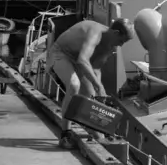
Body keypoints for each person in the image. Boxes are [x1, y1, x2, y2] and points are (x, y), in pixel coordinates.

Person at [47, 17, 135, 147]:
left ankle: (99, 135)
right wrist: (98, 85)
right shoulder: (95, 33)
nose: (121, 45)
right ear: (116, 33)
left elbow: (96, 68)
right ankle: (66, 133)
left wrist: (99, 92)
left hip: (79, 61)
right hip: (61, 53)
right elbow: (83, 60)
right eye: (121, 41)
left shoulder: (110, 46)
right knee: (74, 85)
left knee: (92, 96)